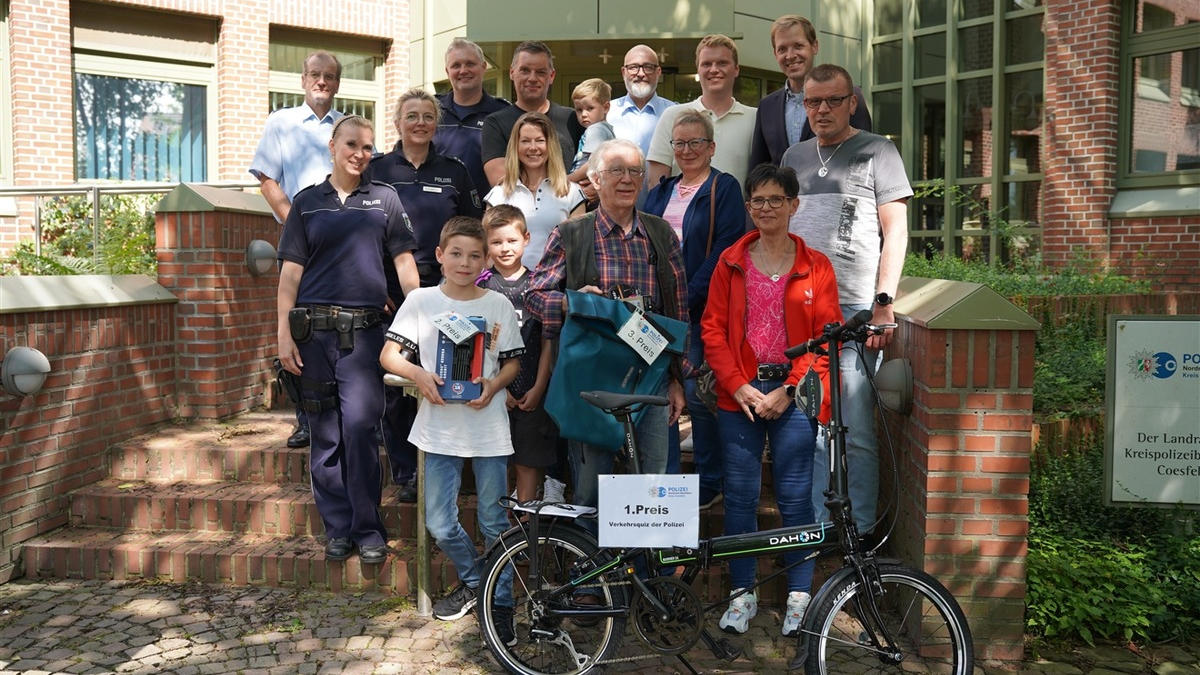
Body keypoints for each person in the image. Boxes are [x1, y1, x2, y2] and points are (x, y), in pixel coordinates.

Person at [701, 162, 841, 637]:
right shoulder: (730, 261)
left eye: (775, 200)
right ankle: (742, 594)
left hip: (794, 395)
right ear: (749, 207)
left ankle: (799, 598)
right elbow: (712, 330)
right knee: (740, 498)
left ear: (793, 205)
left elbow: (826, 338)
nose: (766, 208)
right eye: (758, 200)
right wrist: (736, 384)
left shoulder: (816, 266)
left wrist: (790, 389)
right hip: (738, 394)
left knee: (796, 497)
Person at [276, 115, 420, 565]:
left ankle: (368, 529)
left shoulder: (384, 199)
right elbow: (290, 274)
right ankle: (337, 528)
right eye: (352, 144)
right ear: (332, 146)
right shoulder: (306, 203)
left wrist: (420, 315)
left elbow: (404, 265)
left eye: (367, 147)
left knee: (359, 429)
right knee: (325, 436)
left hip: (365, 336)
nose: (360, 154)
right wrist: (283, 334)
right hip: (312, 335)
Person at [782, 64, 912, 535]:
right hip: (802, 309)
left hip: (855, 312)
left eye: (833, 100)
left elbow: (896, 231)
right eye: (813, 101)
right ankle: (821, 528)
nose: (822, 109)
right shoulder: (794, 156)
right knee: (815, 427)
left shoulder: (879, 150)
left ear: (852, 102)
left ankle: (861, 532)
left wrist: (884, 302)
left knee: (855, 428)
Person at [526, 139, 689, 512]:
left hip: (651, 375)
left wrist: (677, 378)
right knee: (591, 489)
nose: (627, 179)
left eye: (635, 171)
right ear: (596, 180)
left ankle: (644, 553)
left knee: (652, 485)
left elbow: (679, 311)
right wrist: (572, 301)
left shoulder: (661, 234)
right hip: (592, 376)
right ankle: (592, 550)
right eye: (617, 170)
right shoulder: (571, 233)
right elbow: (535, 297)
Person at [379, 216, 523, 629]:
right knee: (438, 523)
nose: (465, 262)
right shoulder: (421, 301)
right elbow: (388, 356)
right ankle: (478, 582)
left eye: (475, 255)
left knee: (493, 521)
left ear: (486, 260)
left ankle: (501, 604)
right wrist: (418, 375)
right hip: (438, 430)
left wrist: (494, 385)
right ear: (440, 255)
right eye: (456, 254)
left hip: (488, 428)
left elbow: (512, 363)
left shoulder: (496, 304)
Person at [369, 87, 483, 503]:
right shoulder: (376, 169)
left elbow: (473, 231)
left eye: (427, 116)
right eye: (411, 116)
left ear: (437, 124)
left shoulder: (454, 171)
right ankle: (408, 472)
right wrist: (374, 285)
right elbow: (362, 232)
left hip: (446, 288)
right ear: (397, 123)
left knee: (447, 376)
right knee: (396, 383)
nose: (420, 123)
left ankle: (446, 468)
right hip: (389, 292)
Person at [643, 110, 746, 503]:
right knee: (658, 394)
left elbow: (725, 248)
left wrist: (686, 295)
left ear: (711, 147)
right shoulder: (661, 191)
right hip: (657, 313)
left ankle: (709, 483)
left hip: (700, 311)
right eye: (679, 143)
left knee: (699, 395)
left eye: (695, 143)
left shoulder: (724, 187)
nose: (686, 150)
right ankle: (665, 485)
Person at [250, 50, 344, 450]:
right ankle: (306, 418)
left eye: (329, 76)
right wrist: (295, 223)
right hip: (301, 241)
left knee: (341, 328)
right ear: (303, 80)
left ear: (337, 83)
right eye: (315, 74)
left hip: (344, 243)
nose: (321, 81)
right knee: (301, 326)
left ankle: (343, 413)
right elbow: (267, 179)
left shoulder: (346, 125)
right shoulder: (281, 122)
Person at [478, 205, 559, 503]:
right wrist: (498, 387)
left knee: (528, 462)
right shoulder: (481, 286)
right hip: (492, 390)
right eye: (496, 242)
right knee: (495, 463)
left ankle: (524, 523)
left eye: (512, 240)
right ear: (486, 244)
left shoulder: (540, 286)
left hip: (532, 390)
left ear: (526, 238)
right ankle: (498, 525)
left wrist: (539, 387)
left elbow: (548, 340)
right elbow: (477, 343)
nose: (505, 248)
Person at [748, 15, 873, 170]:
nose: (790, 55)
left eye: (798, 46)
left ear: (814, 46)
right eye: (782, 49)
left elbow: (864, 154)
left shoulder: (847, 97)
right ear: (775, 54)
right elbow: (758, 169)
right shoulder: (766, 106)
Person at [647, 35, 756, 189]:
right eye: (706, 64)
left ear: (736, 69)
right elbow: (656, 183)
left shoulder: (755, 118)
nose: (714, 70)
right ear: (698, 70)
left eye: (722, 63)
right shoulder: (672, 116)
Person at [484, 112, 586, 269]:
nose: (533, 148)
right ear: (516, 146)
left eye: (540, 140)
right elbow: (489, 252)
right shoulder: (498, 194)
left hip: (556, 281)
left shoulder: (572, 193)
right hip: (508, 282)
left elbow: (578, 250)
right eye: (525, 141)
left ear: (551, 145)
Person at [481, 41, 583, 188]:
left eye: (540, 72)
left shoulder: (572, 119)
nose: (532, 78)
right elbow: (502, 183)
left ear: (551, 76)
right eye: (525, 70)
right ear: (512, 73)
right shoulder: (495, 123)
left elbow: (594, 165)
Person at [437, 38, 511, 198]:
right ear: (447, 71)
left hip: (487, 209)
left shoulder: (503, 113)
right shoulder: (432, 111)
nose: (463, 70)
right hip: (438, 207)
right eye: (456, 65)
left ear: (484, 67)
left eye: (470, 64)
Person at [607, 44, 676, 158]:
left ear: (658, 72)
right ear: (624, 72)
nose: (641, 74)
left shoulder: (675, 113)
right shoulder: (607, 112)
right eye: (633, 67)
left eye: (648, 67)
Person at [566, 78, 615, 192]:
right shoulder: (606, 129)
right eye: (579, 110)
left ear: (606, 107)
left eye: (590, 108)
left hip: (583, 184)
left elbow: (593, 163)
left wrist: (569, 179)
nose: (583, 114)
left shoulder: (596, 130)